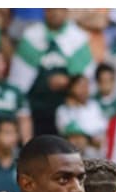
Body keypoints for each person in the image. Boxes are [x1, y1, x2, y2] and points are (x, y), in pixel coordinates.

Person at [8, 9, 94, 137]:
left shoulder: (78, 38)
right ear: (45, 11)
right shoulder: (31, 35)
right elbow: (18, 81)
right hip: (35, 110)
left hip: (67, 113)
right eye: (51, 9)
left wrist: (68, 81)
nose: (55, 13)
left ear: (66, 12)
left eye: (60, 9)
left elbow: (87, 81)